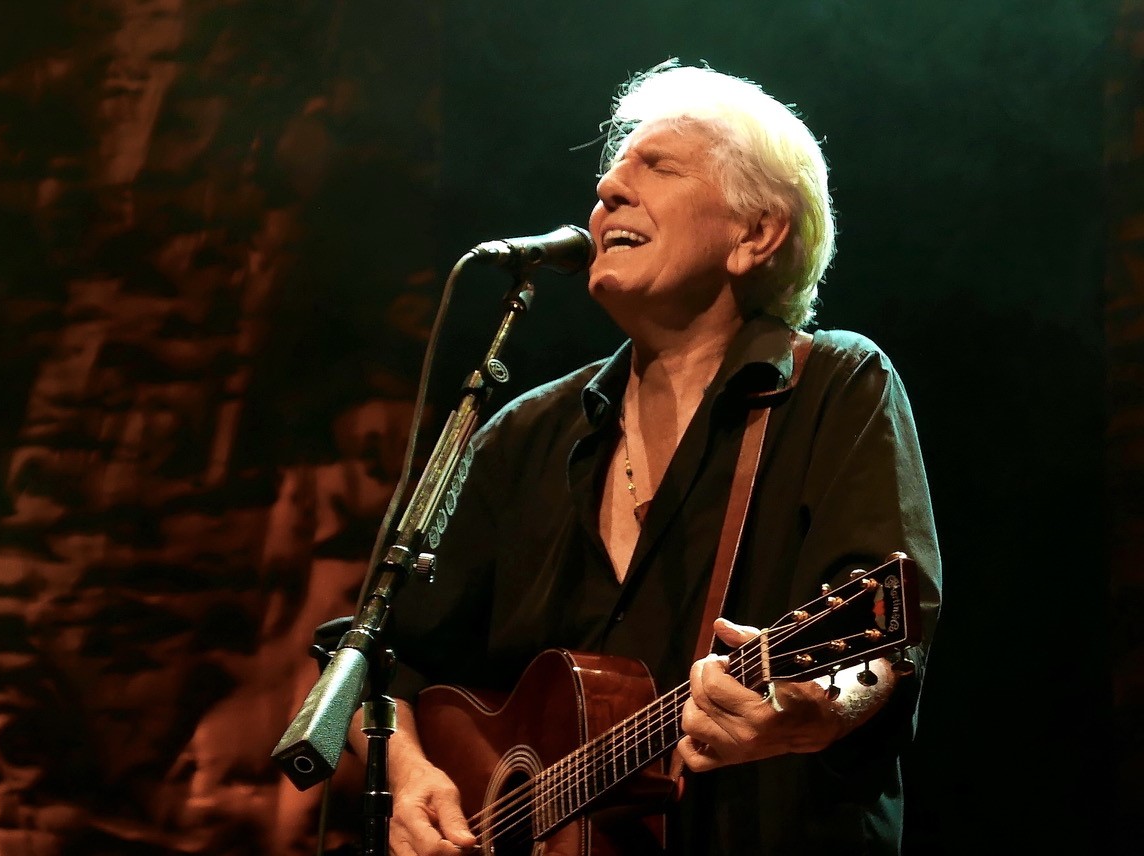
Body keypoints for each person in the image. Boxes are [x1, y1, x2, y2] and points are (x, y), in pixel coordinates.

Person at [362, 60, 942, 855]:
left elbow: (881, 628)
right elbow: (384, 661)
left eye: (657, 166)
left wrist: (820, 710)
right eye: (610, 174)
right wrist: (408, 774)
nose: (607, 189)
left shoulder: (835, 385)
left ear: (756, 235)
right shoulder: (526, 434)